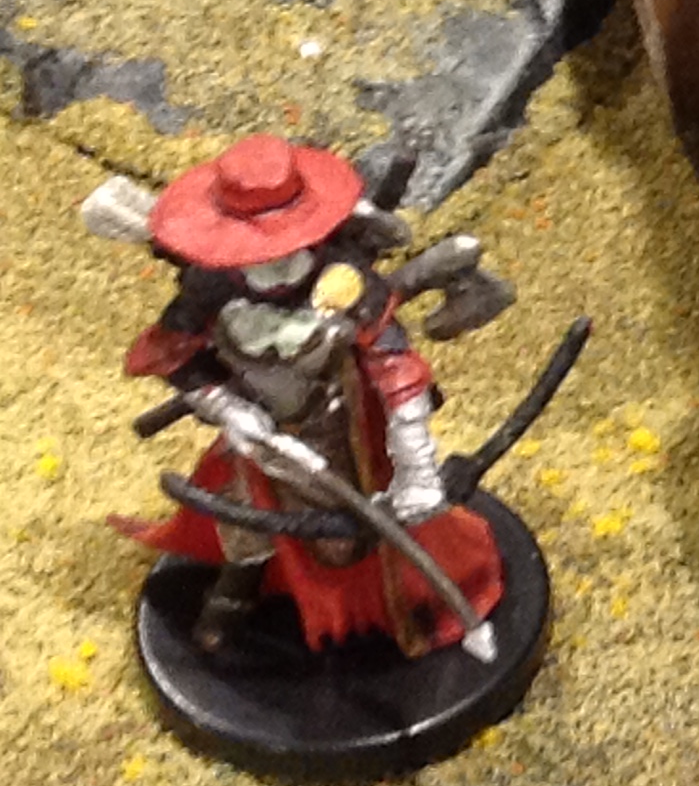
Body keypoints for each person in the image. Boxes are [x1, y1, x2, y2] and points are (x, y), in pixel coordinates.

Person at [107, 135, 505, 656]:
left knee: (345, 538)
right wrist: (228, 408)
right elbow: (174, 357)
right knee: (243, 514)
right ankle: (237, 588)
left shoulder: (345, 280)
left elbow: (397, 367)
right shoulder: (211, 287)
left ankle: (376, 608)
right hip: (258, 428)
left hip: (341, 423)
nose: (272, 259)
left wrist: (416, 469)